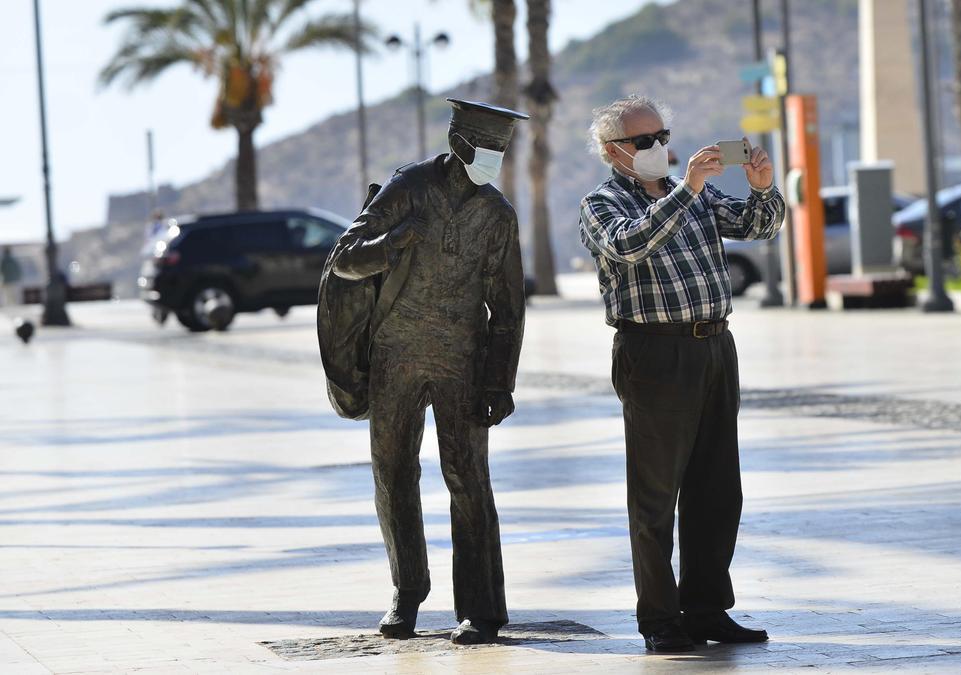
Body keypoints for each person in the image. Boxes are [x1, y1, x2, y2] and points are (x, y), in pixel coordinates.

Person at [578, 95, 784, 652]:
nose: (659, 148)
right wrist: (689, 191)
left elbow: (757, 226)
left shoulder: (685, 191)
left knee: (718, 489)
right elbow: (630, 245)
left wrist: (763, 185)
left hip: (715, 345)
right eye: (645, 141)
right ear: (613, 151)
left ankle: (707, 610)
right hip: (654, 353)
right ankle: (660, 619)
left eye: (663, 135)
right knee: (655, 495)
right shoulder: (600, 204)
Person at [320, 98, 528, 645]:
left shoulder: (498, 214)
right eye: (487, 151)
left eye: (501, 153)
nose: (494, 162)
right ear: (458, 143)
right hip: (395, 358)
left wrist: (500, 382)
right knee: (392, 475)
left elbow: (507, 309)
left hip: (462, 361)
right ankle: (407, 593)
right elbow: (343, 258)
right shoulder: (407, 188)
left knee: (467, 479)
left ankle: (480, 609)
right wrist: (389, 244)